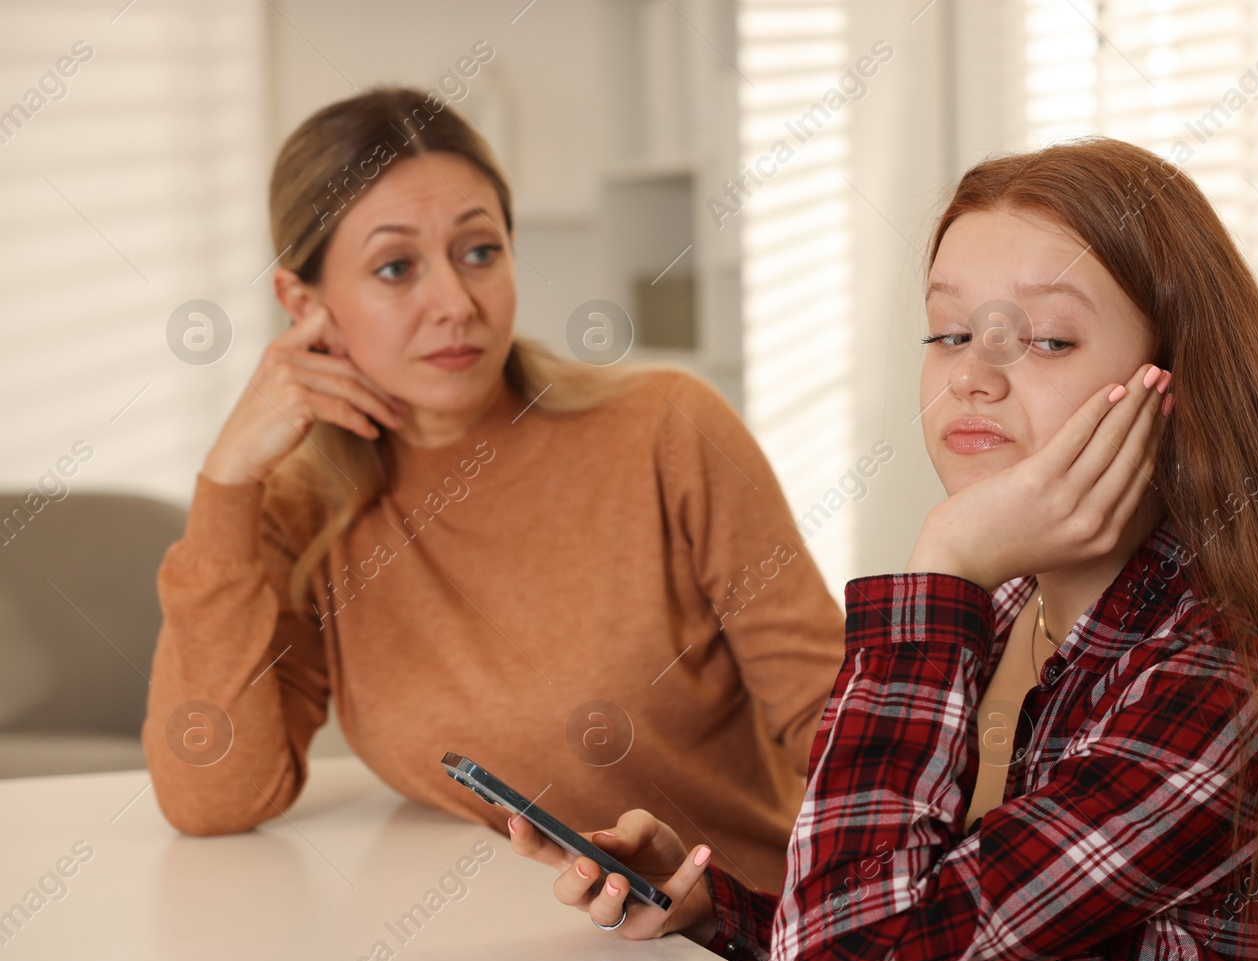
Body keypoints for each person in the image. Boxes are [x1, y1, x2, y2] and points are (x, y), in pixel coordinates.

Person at [508, 138, 1258, 961]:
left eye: (1047, 337)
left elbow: (851, 955)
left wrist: (941, 568)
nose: (972, 373)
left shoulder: (1228, 680)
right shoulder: (1013, 606)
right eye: (949, 331)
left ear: (1176, 387)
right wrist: (720, 911)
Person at [140, 87, 844, 893]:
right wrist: (226, 484)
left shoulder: (668, 430)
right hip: (522, 958)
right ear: (305, 306)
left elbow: (832, 721)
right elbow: (214, 795)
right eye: (397, 267)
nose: (457, 304)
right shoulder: (302, 511)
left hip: (745, 948)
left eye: (480, 251)